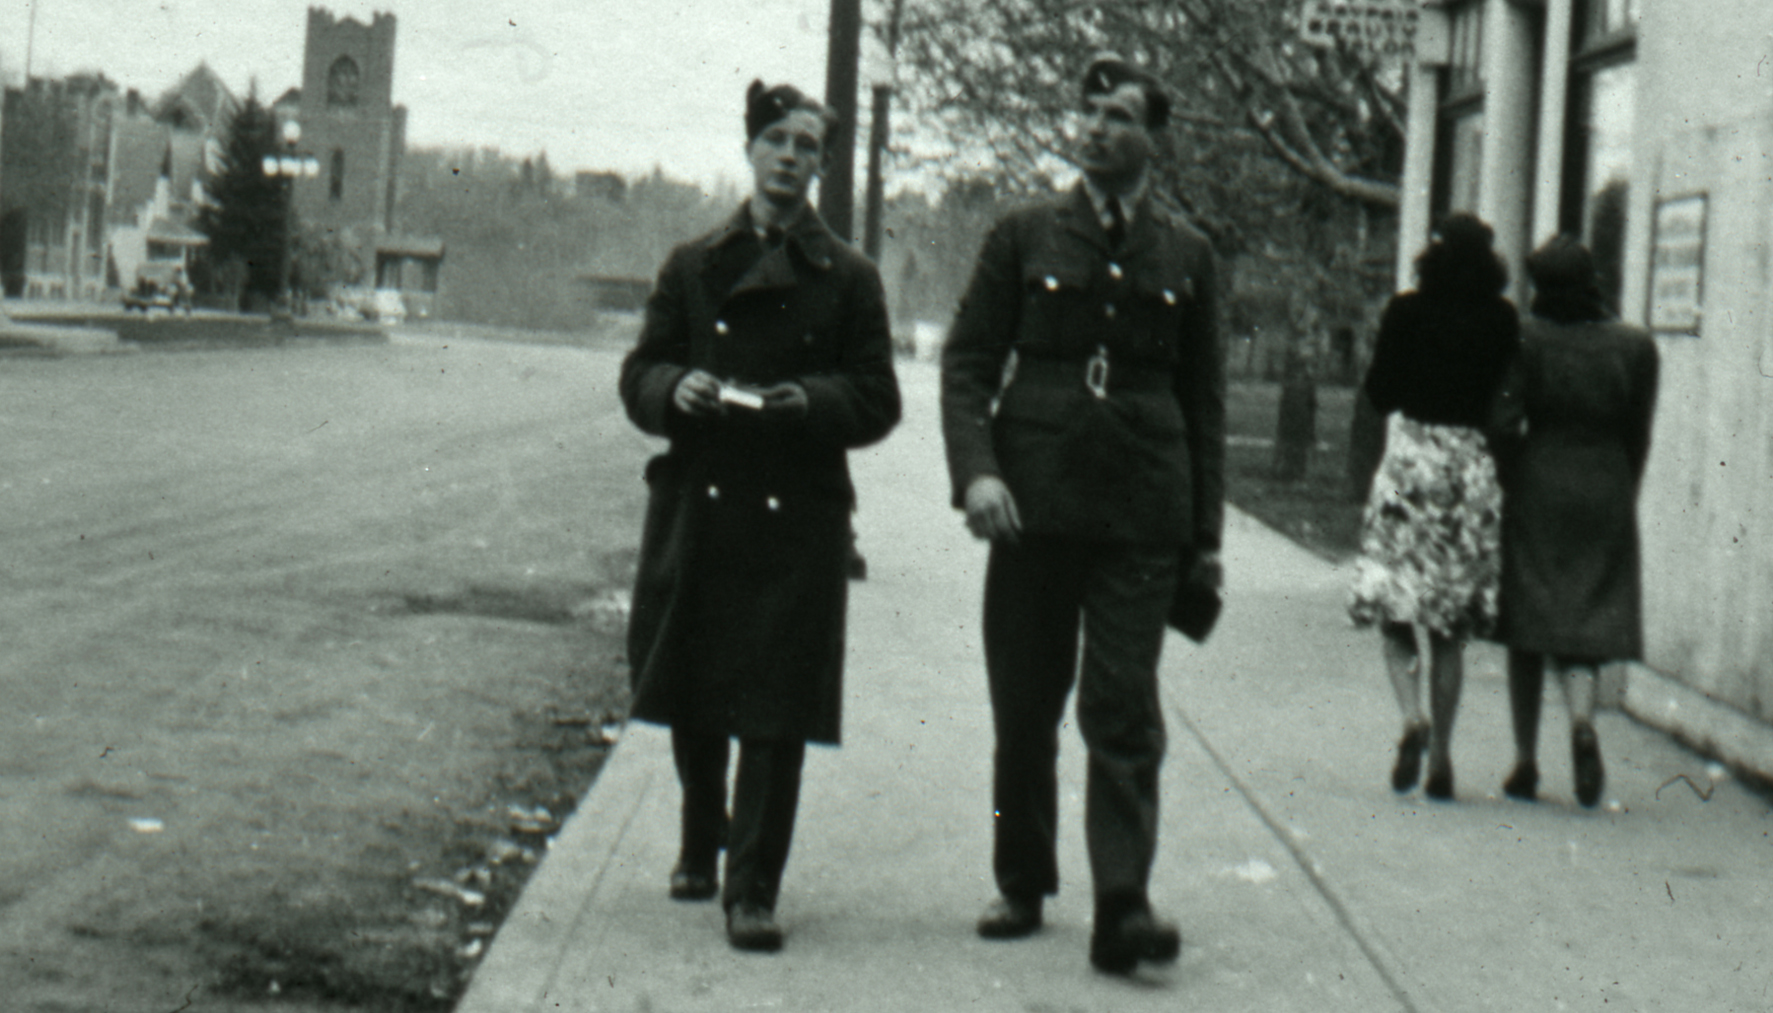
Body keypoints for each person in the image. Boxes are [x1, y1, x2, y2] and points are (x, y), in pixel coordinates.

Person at [939, 54, 1225, 976]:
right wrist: (977, 474)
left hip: (1143, 510)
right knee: (1025, 703)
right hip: (1031, 504)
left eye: (1119, 114)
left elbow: (1206, 402)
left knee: (1120, 703)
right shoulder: (1024, 234)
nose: (1097, 125)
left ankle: (1122, 907)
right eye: (1089, 108)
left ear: (1153, 138)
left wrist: (1205, 540)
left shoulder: (1187, 253)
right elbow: (967, 364)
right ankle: (1021, 880)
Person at [619, 80, 902, 952]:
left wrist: (808, 403)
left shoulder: (848, 277)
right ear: (750, 150)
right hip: (701, 498)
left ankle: (752, 887)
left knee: (775, 702)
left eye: (806, 145)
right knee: (694, 682)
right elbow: (638, 374)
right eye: (775, 139)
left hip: (797, 515)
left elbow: (877, 399)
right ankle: (702, 831)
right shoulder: (694, 261)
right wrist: (678, 387)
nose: (789, 156)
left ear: (821, 163)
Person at [1347, 213, 1519, 801]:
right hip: (1467, 468)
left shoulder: (1406, 310)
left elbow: (1380, 393)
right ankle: (1443, 755)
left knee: (1397, 609)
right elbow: (1503, 399)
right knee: (1449, 628)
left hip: (1412, 462)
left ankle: (1411, 718)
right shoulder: (1503, 319)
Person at [1489, 236, 1659, 807]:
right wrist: (1622, 485)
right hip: (1606, 482)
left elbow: (1503, 420)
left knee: (1526, 625)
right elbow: (1639, 432)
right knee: (1584, 619)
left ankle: (1526, 762)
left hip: (1539, 480)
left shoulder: (1522, 337)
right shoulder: (1635, 347)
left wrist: (1511, 478)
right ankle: (1582, 723)